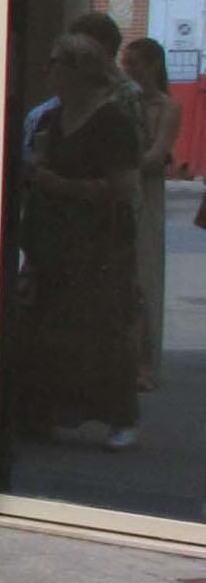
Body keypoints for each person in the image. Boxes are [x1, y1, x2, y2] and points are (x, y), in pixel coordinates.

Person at [22, 33, 142, 449]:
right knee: (50, 325)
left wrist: (64, 187)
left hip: (99, 241)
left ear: (76, 69)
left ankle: (120, 415)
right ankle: (54, 410)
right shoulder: (52, 119)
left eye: (55, 63)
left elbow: (122, 187)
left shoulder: (112, 121)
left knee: (103, 327)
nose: (49, 72)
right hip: (53, 236)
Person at [121, 36, 178, 390]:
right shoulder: (122, 100)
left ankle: (145, 362)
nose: (128, 71)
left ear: (154, 65)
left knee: (144, 277)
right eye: (126, 64)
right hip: (123, 190)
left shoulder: (166, 106)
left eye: (135, 64)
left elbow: (157, 155)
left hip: (147, 195)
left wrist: (121, 164)